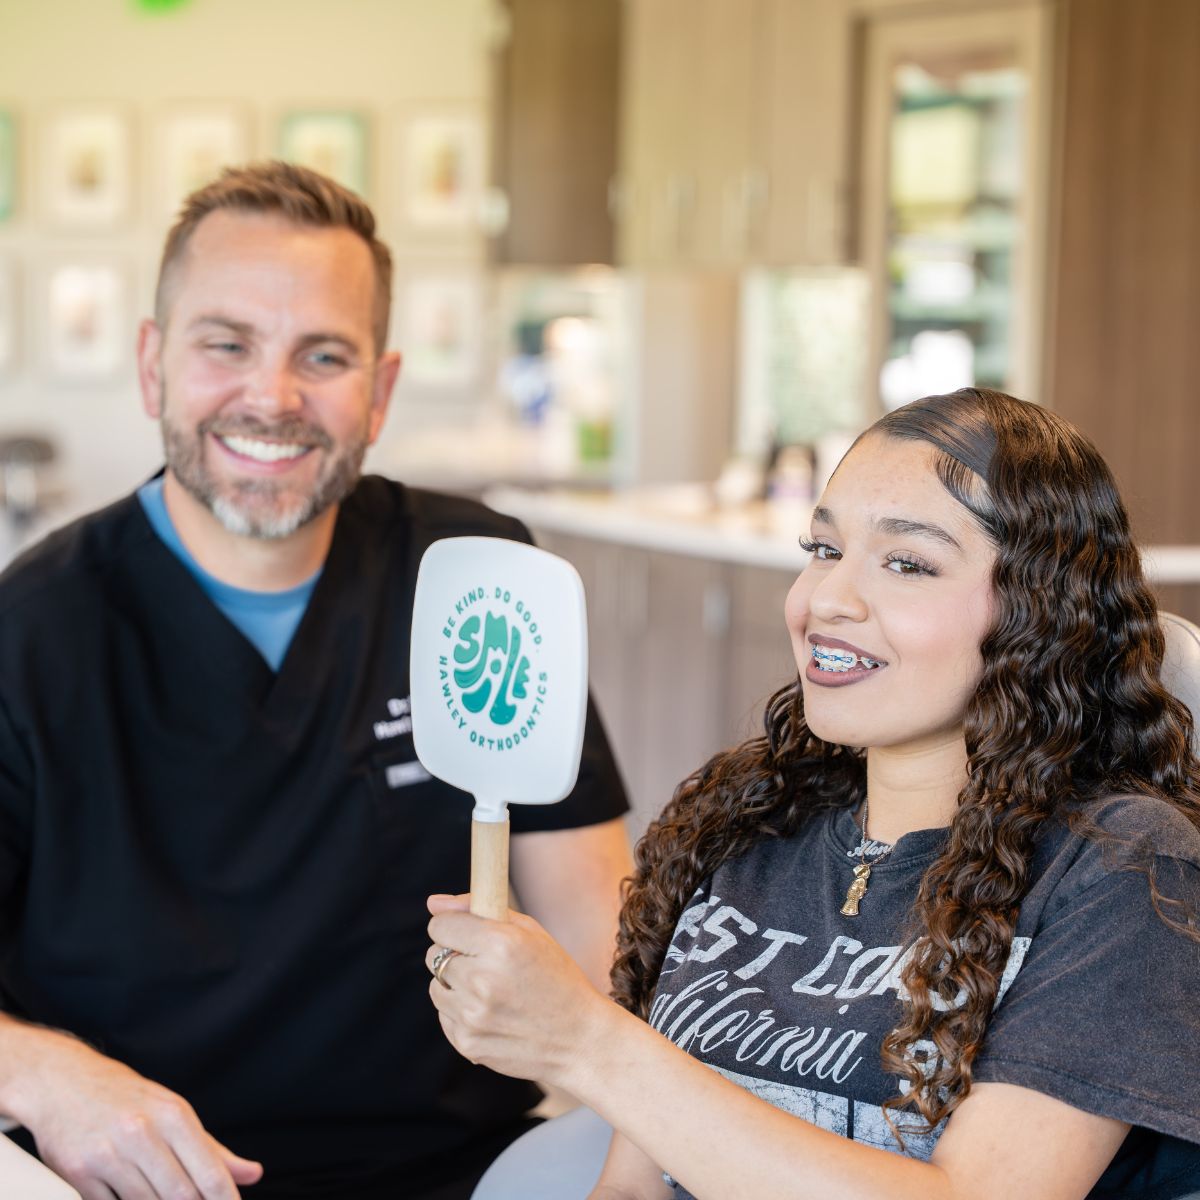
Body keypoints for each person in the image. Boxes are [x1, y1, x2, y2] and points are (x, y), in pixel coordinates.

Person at [0, 161, 632, 1200]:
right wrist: (43, 1075)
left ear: (379, 392)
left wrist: (644, 1136)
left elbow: (600, 921)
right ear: (154, 366)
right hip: (141, 1181)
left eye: (323, 355)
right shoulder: (31, 634)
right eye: (227, 344)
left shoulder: (476, 582)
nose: (273, 397)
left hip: (454, 1174)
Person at [426, 388, 1200, 1200]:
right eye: (824, 549)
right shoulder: (747, 826)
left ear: (1042, 613)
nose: (825, 600)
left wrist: (589, 1044)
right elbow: (632, 1188)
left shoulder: (1124, 871)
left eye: (907, 563)